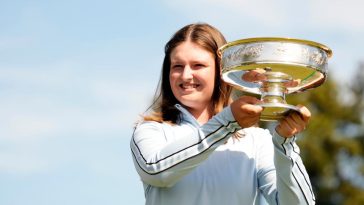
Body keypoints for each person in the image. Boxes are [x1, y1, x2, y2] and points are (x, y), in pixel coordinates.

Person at [130, 23, 315, 205]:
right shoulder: (150, 131)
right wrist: (228, 122)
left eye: (198, 65)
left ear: (221, 71)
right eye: (177, 66)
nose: (186, 75)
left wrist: (285, 146)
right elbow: (156, 171)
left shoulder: (256, 140)